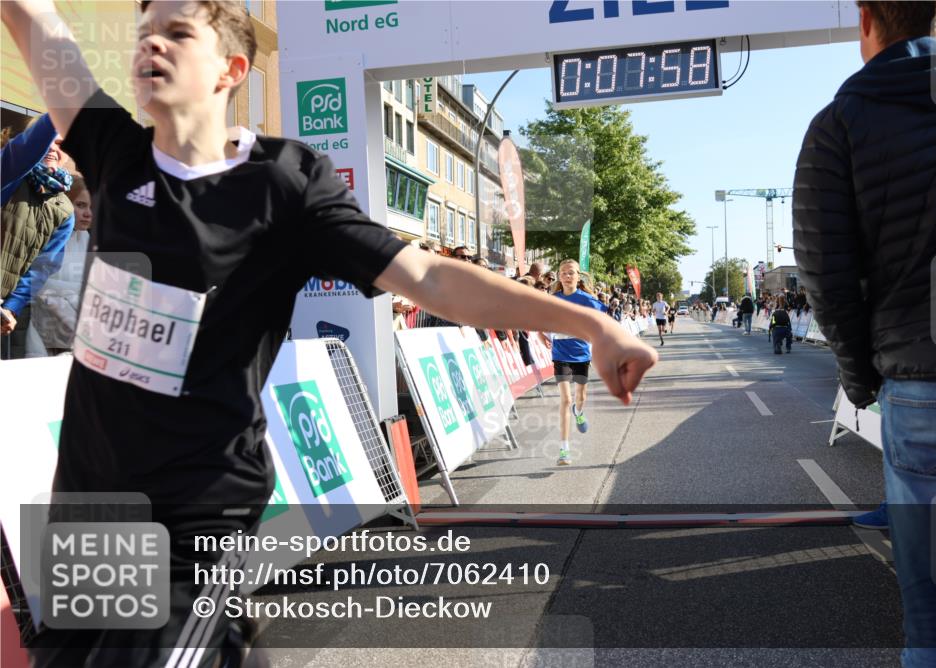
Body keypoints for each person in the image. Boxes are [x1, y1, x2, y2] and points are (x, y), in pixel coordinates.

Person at [2, 1, 658, 664]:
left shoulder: (283, 184)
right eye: (144, 33)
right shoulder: (115, 152)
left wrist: (590, 322)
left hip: (192, 517)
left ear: (231, 69)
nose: (152, 46)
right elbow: (36, 21)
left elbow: (429, 279)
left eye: (176, 33)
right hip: (88, 506)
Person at [793, 2, 936, 666]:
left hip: (928, 389)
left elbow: (826, 273)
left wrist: (862, 379)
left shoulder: (840, 123)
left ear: (866, 20)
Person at [1, 114, 75, 358]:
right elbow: (23, 152)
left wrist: (12, 307)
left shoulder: (65, 211)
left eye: (60, 144)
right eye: (48, 140)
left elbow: (41, 268)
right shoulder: (8, 173)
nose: (53, 148)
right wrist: (59, 109)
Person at [539, 259, 607, 466]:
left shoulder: (587, 299)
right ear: (559, 276)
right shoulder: (553, 299)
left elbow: (603, 320)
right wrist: (541, 333)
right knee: (566, 400)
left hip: (581, 354)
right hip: (560, 353)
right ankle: (564, 449)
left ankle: (579, 412)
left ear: (579, 276)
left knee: (580, 398)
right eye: (563, 273)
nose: (567, 276)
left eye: (571, 273)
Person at [27, 174, 92, 355]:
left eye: (92, 207)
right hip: (42, 327)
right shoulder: (47, 235)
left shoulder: (85, 237)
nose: (88, 213)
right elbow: (37, 285)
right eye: (81, 205)